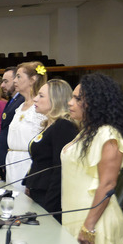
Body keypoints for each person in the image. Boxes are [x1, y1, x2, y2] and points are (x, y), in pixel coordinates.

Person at [61, 74, 123, 244]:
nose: (70, 103)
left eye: (77, 98)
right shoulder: (87, 131)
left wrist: (88, 227)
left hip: (95, 223)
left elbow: (108, 184)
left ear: (95, 102)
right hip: (75, 216)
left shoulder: (107, 134)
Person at [24, 79, 77, 219]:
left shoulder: (63, 126)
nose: (35, 99)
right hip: (38, 191)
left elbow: (59, 169)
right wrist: (29, 183)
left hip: (49, 197)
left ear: (56, 100)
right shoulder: (49, 124)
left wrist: (50, 208)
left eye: (41, 96)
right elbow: (41, 160)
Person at [5, 62, 47, 192]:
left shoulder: (40, 108)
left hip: (27, 162)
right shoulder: (19, 107)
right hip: (12, 160)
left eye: (18, 77)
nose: (15, 81)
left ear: (32, 80)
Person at [0, 67, 25, 168]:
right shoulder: (12, 100)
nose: (2, 85)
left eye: (6, 81)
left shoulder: (22, 101)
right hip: (6, 155)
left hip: (15, 158)